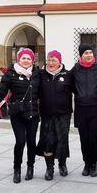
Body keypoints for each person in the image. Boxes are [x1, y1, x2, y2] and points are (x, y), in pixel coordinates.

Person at [0, 48, 40, 183]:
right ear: (18, 59)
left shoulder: (38, 74)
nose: (26, 61)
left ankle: (30, 167)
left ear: (32, 60)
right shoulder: (10, 74)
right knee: (20, 142)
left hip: (33, 113)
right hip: (18, 114)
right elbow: (0, 93)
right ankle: (17, 169)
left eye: (28, 58)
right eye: (23, 58)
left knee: (32, 143)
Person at [70, 44, 97, 177]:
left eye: (90, 53)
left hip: (95, 107)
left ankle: (94, 164)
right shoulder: (76, 68)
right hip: (81, 108)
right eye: (86, 53)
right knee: (83, 139)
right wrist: (78, 93)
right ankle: (86, 163)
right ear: (81, 55)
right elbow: (69, 82)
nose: (89, 55)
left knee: (92, 138)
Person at [37, 50, 73, 180]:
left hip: (64, 114)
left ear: (60, 62)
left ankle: (62, 164)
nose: (51, 63)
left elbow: (78, 90)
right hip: (46, 114)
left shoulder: (68, 75)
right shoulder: (40, 74)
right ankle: (49, 168)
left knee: (62, 140)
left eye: (54, 60)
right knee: (48, 141)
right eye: (49, 60)